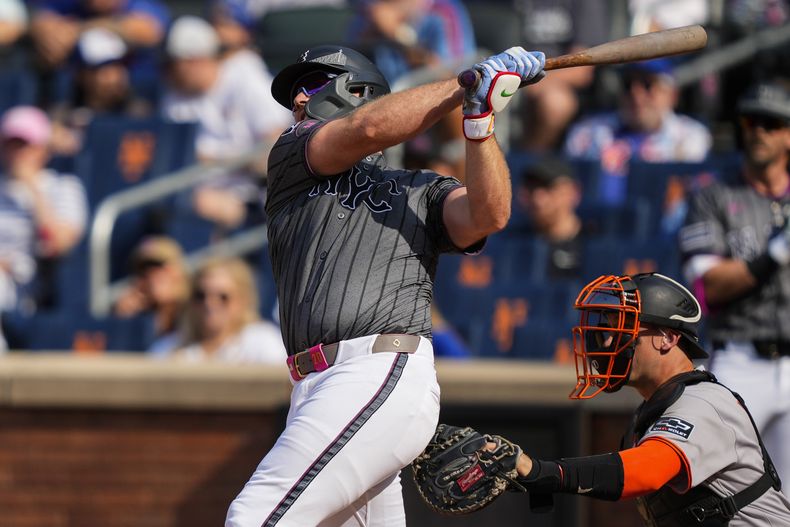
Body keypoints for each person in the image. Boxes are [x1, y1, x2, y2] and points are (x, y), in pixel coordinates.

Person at [224, 43, 546, 526]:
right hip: (316, 387)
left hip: (376, 370)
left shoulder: (422, 188)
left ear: (358, 90)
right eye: (295, 93)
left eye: (311, 85)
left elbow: (488, 215)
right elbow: (369, 128)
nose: (298, 100)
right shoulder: (292, 155)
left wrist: (479, 121)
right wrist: (468, 83)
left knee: (254, 517)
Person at [466, 273, 790, 524]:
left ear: (668, 338)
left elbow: (647, 471)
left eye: (623, 329)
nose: (608, 342)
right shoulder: (649, 413)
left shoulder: (702, 402)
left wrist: (543, 471)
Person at [679, 79, 790, 498]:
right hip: (740, 359)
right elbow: (708, 286)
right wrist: (776, 252)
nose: (759, 131)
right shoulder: (714, 195)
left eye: (771, 123)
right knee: (718, 489)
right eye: (751, 121)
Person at [160, 15, 291, 229]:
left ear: (194, 61)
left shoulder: (244, 76)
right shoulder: (174, 98)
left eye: (173, 64)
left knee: (190, 203)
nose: (167, 72)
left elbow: (279, 150)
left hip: (248, 196)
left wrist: (213, 160)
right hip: (190, 192)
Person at [565, 58, 712, 205]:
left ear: (672, 95)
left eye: (647, 85)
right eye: (628, 84)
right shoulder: (587, 132)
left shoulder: (691, 136)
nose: (636, 94)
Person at [0, 105, 87, 312]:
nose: (17, 153)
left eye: (25, 145)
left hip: (27, 284)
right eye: (11, 145)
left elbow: (59, 243)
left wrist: (32, 187)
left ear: (43, 150)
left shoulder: (63, 187)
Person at [149, 256, 286, 362]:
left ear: (242, 301)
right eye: (200, 296)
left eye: (222, 297)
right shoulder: (169, 347)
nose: (209, 304)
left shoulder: (263, 341)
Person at [49, 26, 151, 156]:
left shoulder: (140, 116)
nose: (116, 77)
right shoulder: (61, 119)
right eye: (106, 69)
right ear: (82, 75)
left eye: (120, 66)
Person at [511, 155, 586, 280]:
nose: (537, 198)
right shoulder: (515, 243)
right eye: (531, 188)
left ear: (574, 192)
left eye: (548, 187)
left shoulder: (596, 242)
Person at [113, 236, 190, 345]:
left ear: (177, 271)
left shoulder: (199, 306)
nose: (150, 277)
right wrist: (123, 322)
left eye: (158, 267)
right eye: (142, 272)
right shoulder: (137, 317)